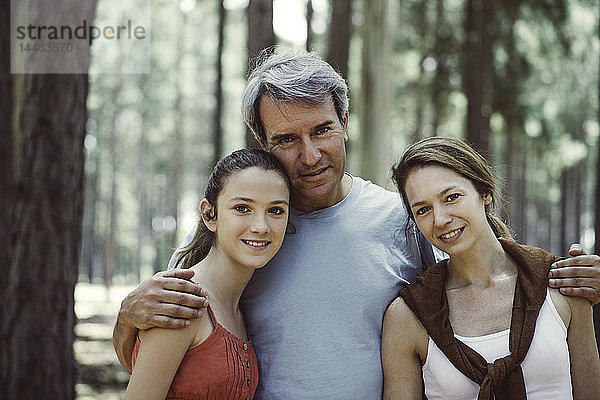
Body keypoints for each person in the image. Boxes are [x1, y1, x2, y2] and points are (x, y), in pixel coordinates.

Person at [113, 49, 600, 399]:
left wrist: (560, 278)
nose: (311, 155)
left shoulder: (399, 217)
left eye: (323, 129)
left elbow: (472, 277)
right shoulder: (244, 233)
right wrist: (125, 316)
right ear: (261, 142)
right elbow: (175, 352)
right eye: (287, 139)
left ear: (344, 121)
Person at [382, 136, 600, 400]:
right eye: (423, 210)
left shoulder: (559, 282)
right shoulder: (407, 316)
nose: (439, 220)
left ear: (485, 192)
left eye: (451, 197)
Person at [124, 148, 291, 400]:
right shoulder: (182, 302)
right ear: (209, 214)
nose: (261, 227)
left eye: (276, 210)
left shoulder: (237, 307)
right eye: (243, 208)